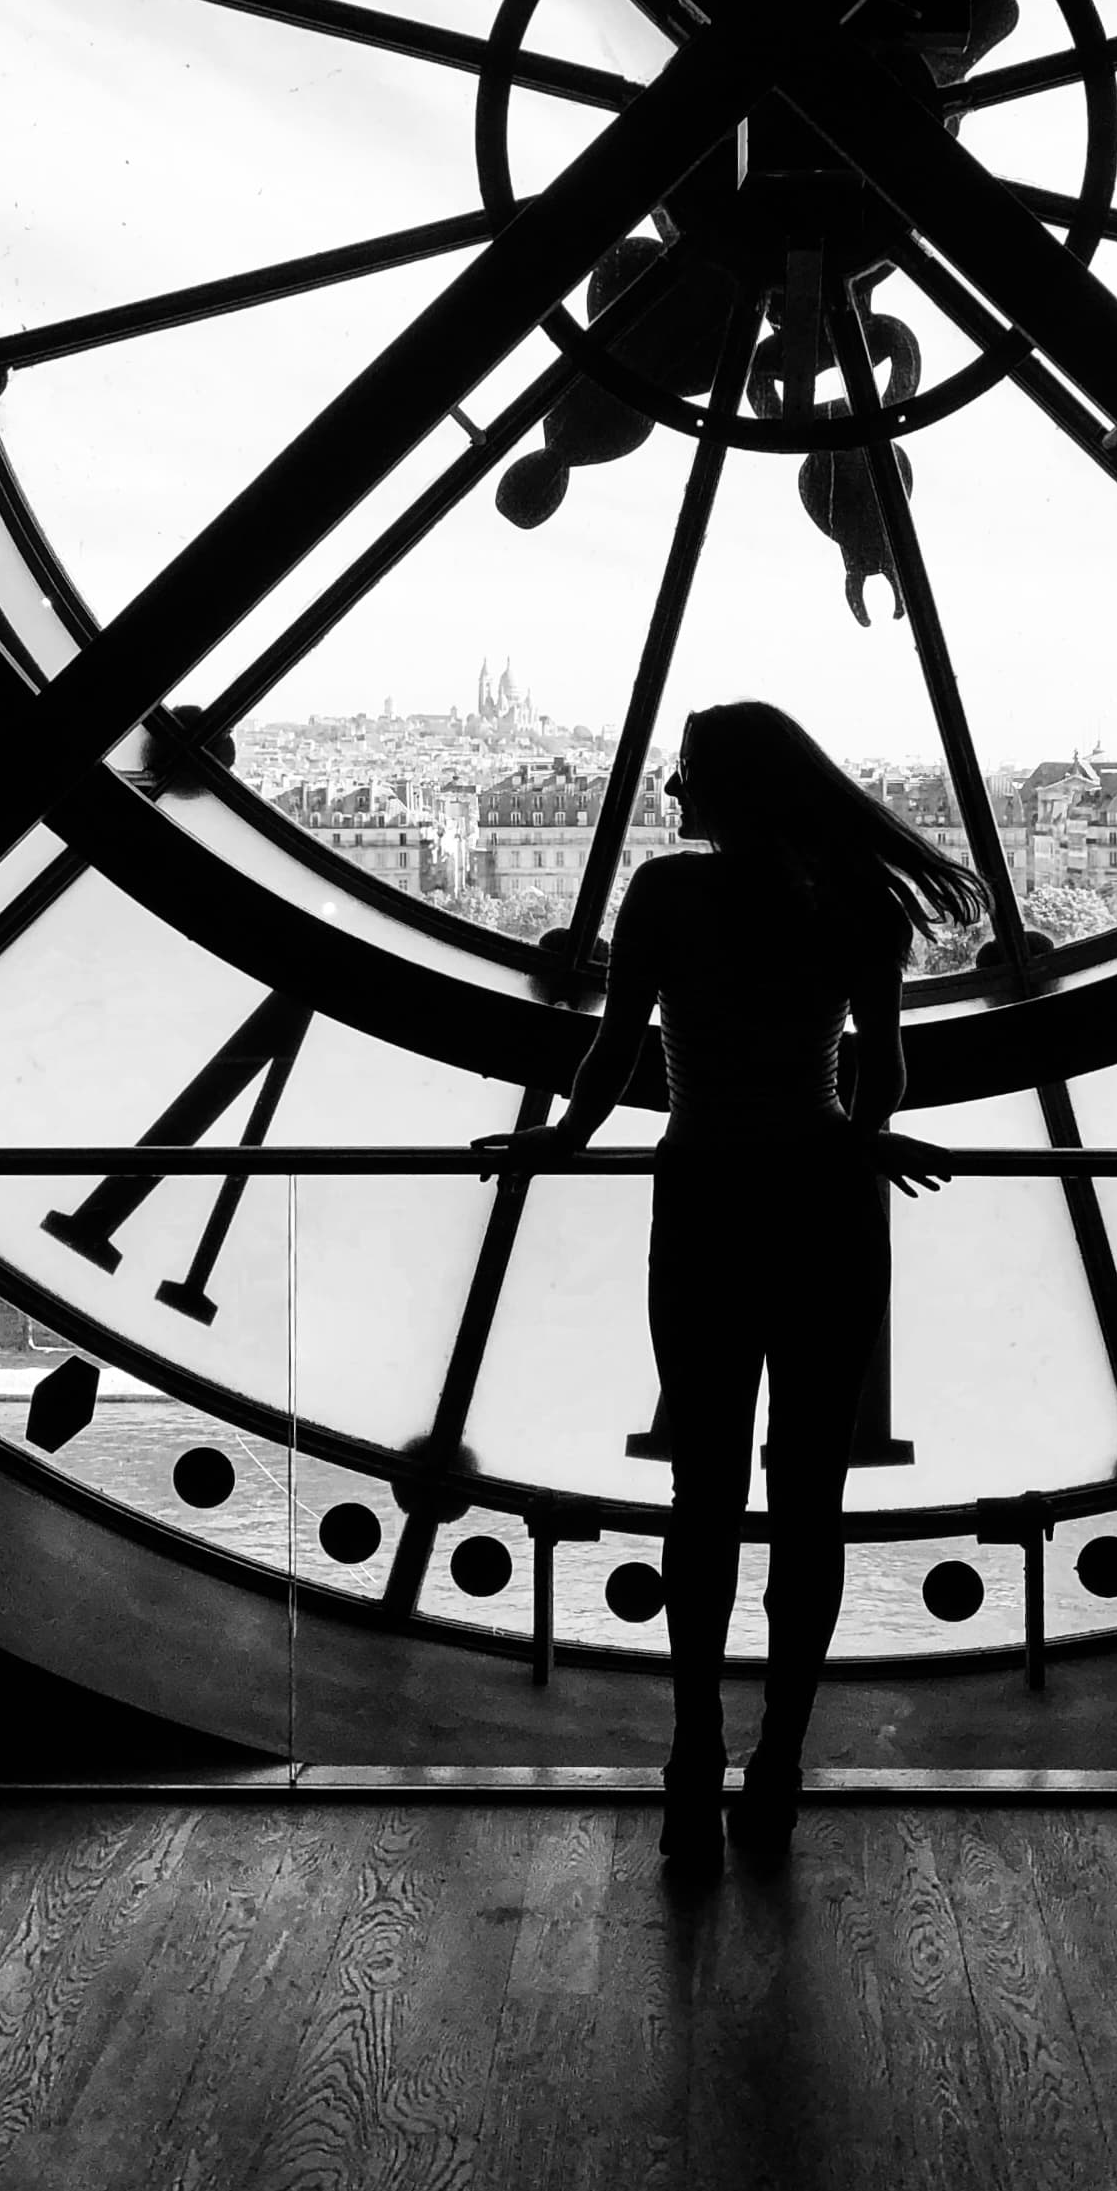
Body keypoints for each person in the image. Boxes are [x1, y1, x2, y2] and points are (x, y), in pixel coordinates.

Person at [476, 701, 981, 1874]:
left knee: (702, 1486)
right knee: (808, 1498)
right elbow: (883, 1064)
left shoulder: (664, 895)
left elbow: (616, 1053)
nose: (670, 794)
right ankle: (778, 1763)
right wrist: (863, 1136)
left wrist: (560, 1139)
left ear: (727, 790)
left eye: (686, 775)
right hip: (825, 1199)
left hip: (703, 1195)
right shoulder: (857, 898)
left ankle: (691, 1754)